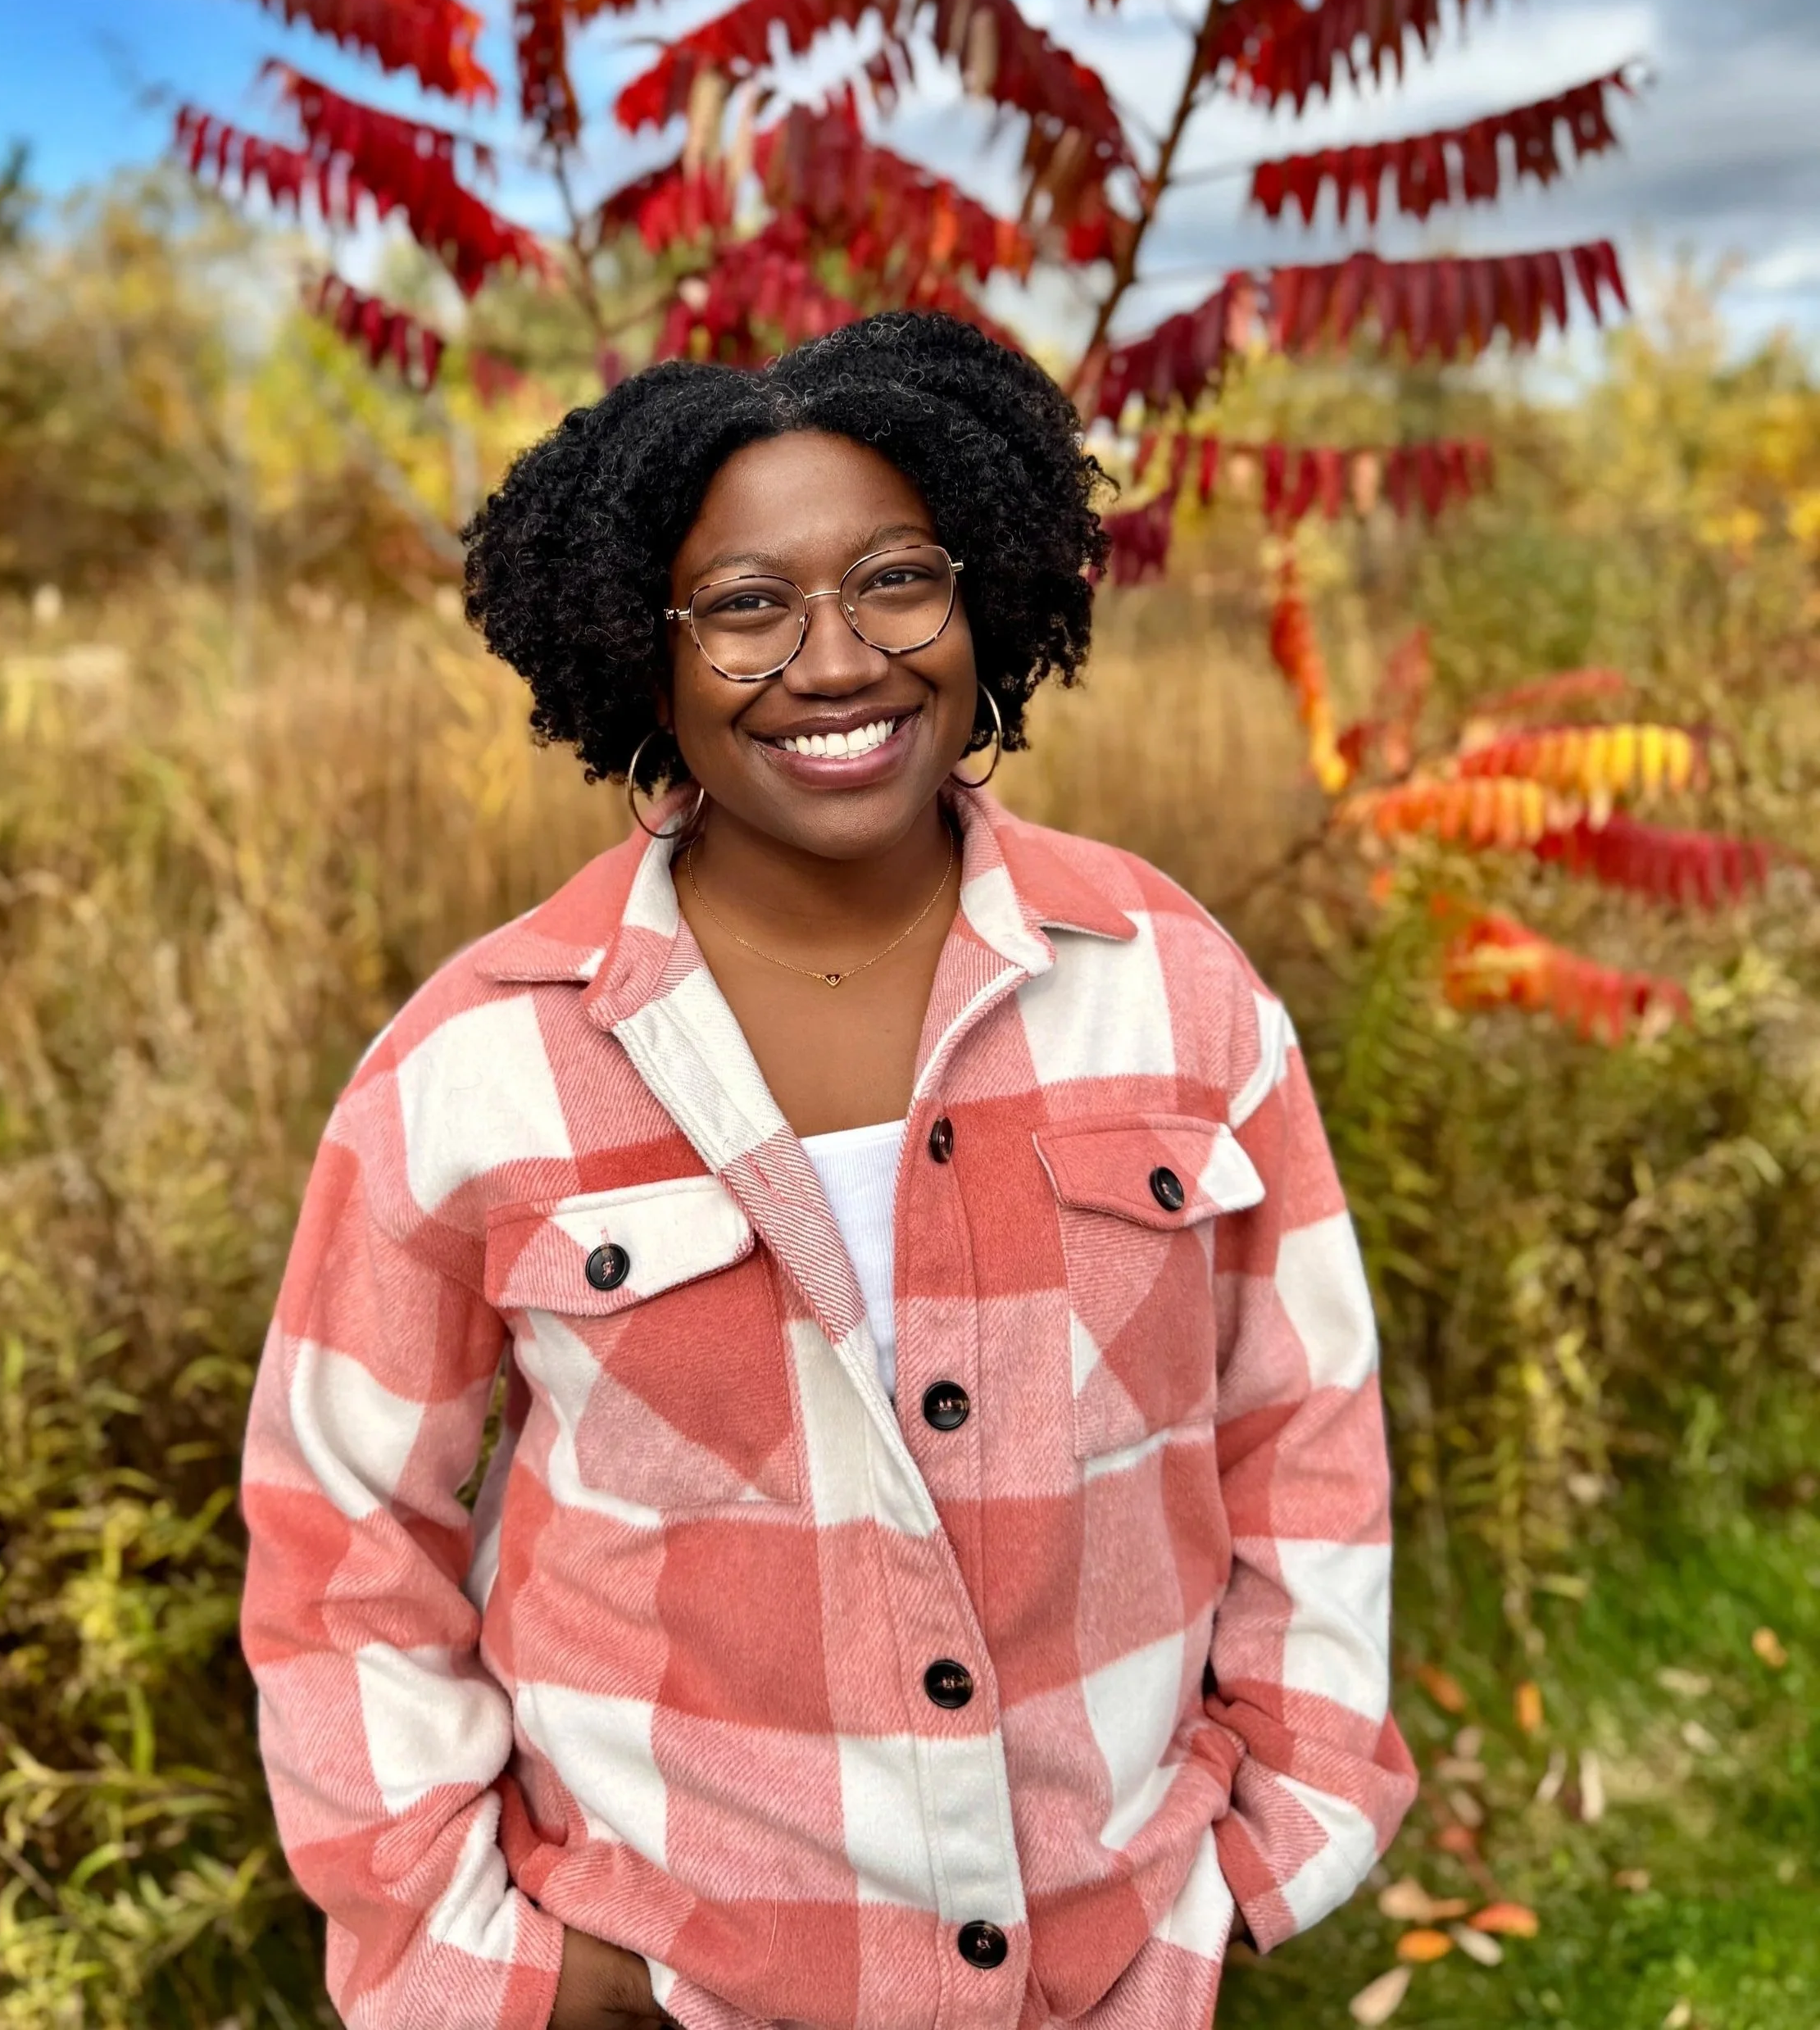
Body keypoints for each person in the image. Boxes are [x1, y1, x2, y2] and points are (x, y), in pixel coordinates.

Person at [238, 311, 1415, 2030]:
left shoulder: (1172, 984)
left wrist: (1273, 1835)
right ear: (639, 656)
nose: (836, 657)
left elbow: (1299, 1419)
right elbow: (342, 1528)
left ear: (982, 596)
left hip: (1114, 1959)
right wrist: (492, 1958)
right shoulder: (471, 1066)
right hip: (679, 1975)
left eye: (892, 580)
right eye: (742, 606)